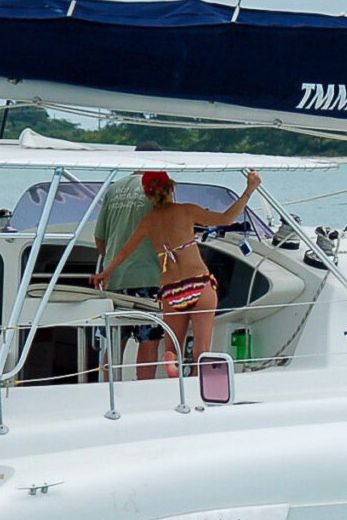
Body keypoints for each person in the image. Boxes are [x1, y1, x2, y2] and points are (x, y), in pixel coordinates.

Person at [92, 168, 262, 376]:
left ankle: (174, 379)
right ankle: (196, 393)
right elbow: (227, 219)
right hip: (199, 285)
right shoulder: (187, 211)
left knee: (172, 350)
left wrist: (105, 273)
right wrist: (248, 191)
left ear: (147, 194)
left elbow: (124, 251)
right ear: (171, 188)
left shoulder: (148, 221)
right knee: (201, 350)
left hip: (172, 291)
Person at [94, 144, 166, 378]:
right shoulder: (158, 186)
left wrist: (112, 262)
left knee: (115, 338)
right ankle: (143, 392)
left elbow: (100, 237)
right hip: (148, 274)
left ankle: (109, 389)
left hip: (115, 278)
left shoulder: (115, 189)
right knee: (149, 338)